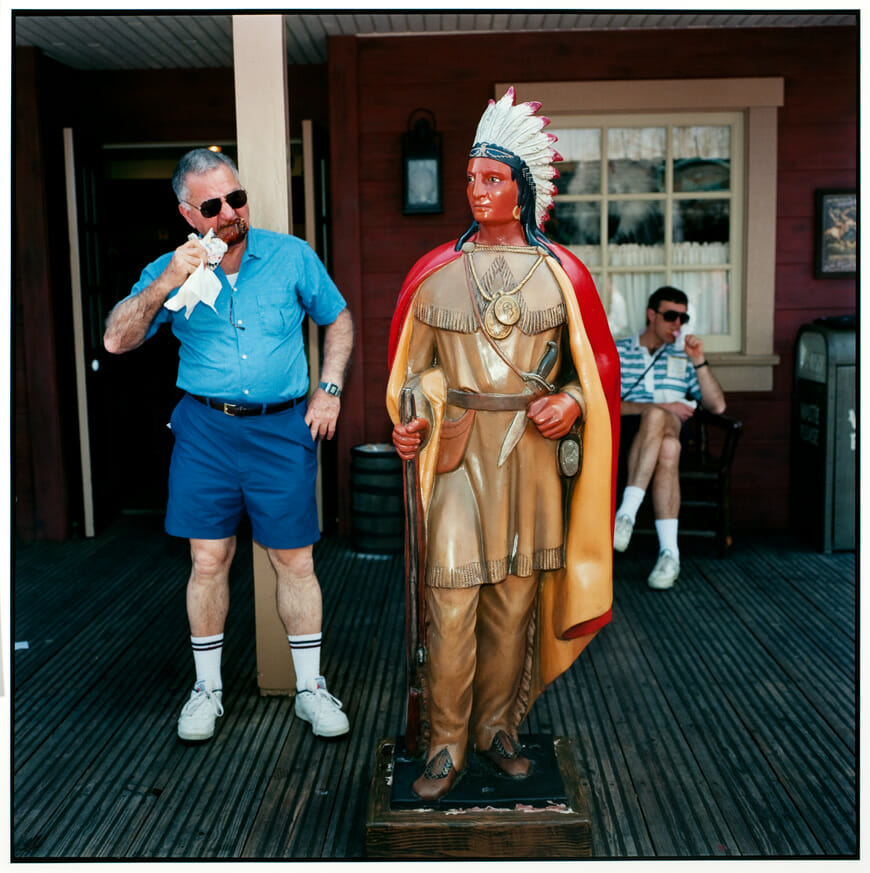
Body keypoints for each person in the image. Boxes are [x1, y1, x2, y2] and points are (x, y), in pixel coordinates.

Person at [386, 88, 620, 801]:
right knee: (450, 599)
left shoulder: (563, 275)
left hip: (532, 459)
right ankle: (444, 742)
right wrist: (411, 417)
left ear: (521, 189)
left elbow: (597, 371)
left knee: (515, 604)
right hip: (459, 456)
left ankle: (497, 730)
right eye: (470, 178)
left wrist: (571, 401)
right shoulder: (435, 274)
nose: (476, 190)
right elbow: (412, 369)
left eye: (491, 179)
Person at [103, 148, 354, 743]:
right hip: (206, 431)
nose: (231, 212)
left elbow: (338, 321)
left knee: (294, 560)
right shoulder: (172, 268)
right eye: (213, 205)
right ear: (189, 213)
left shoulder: (292, 255)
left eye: (236, 198)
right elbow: (117, 339)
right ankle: (207, 690)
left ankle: (310, 688)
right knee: (208, 560)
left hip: (282, 425)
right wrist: (168, 279)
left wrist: (330, 390)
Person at [613, 286, 726, 589]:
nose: (678, 323)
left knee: (662, 423)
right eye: (671, 315)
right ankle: (670, 554)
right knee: (668, 447)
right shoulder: (620, 350)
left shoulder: (683, 356)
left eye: (683, 317)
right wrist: (661, 406)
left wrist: (699, 359)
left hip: (675, 423)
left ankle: (626, 514)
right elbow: (607, 402)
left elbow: (717, 405)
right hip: (629, 435)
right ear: (652, 315)